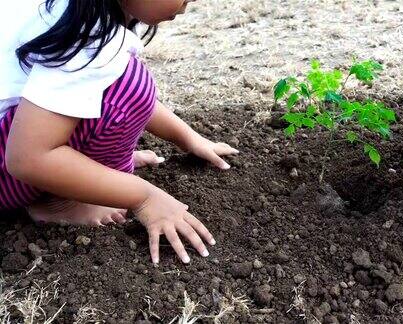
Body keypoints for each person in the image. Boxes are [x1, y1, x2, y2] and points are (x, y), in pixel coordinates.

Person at [0, 0, 239, 264]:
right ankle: (58, 201)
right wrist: (144, 196)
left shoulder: (85, 11)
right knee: (127, 85)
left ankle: (83, 167)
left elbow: (112, 92)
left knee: (126, 82)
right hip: (11, 171)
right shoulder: (86, 37)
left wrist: (190, 138)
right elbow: (27, 158)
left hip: (13, 142)